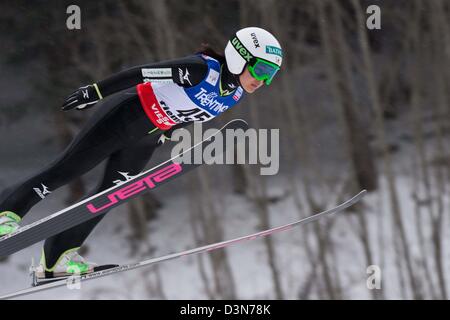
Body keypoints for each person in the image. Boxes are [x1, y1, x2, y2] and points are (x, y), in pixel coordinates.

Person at [0, 27, 283, 281]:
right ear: (239, 57)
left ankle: (57, 258)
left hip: (147, 136)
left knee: (107, 198)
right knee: (66, 171)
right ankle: (7, 213)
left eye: (269, 76)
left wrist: (166, 134)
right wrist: (95, 92)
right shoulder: (199, 70)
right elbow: (141, 73)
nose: (262, 81)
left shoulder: (234, 94)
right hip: (124, 116)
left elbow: (190, 113)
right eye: (260, 71)